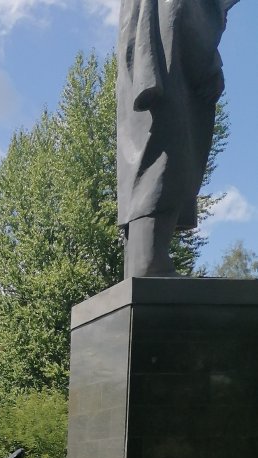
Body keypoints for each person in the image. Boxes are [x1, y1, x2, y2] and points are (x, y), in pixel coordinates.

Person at [117, 0, 239, 278]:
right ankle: (148, 259)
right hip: (169, 67)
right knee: (167, 155)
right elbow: (185, 12)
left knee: (145, 155)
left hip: (146, 61)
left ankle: (144, 257)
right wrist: (209, 65)